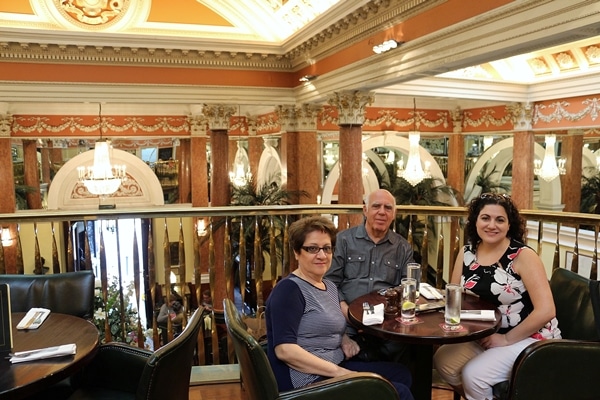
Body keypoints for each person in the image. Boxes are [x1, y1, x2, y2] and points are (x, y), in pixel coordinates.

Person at [265, 216, 414, 400]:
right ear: (297, 252)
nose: (321, 255)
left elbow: (324, 321)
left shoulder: (328, 285)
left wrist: (344, 339)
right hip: (307, 381)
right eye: (312, 248)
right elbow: (285, 350)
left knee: (402, 374)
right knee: (399, 392)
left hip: (333, 364)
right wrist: (339, 373)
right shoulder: (289, 290)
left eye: (327, 248)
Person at [433, 193, 561, 399]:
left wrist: (505, 339)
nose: (492, 225)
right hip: (485, 334)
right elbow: (455, 295)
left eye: (500, 219)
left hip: (529, 336)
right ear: (475, 221)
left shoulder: (523, 256)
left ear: (509, 225)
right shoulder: (467, 252)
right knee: (443, 361)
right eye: (485, 218)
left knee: (474, 375)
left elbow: (546, 310)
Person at [325, 188, 414, 362]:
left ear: (394, 214)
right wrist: (348, 314)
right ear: (365, 210)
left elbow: (408, 287)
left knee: (410, 349)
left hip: (387, 325)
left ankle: (394, 386)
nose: (382, 212)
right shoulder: (343, 240)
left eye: (388, 208)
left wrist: (385, 318)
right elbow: (329, 282)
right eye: (376, 206)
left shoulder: (403, 247)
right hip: (346, 321)